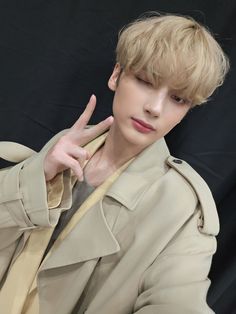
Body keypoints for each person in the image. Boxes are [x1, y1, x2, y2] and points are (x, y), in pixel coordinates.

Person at [0, 13, 229, 314]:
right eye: (146, 81)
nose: (155, 108)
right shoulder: (63, 150)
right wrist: (36, 176)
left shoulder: (181, 206)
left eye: (178, 99)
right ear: (116, 75)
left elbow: (177, 302)